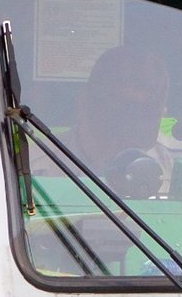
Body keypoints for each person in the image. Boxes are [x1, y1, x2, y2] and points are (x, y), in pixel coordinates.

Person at [72, 45, 174, 197]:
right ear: (85, 102)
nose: (132, 121)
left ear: (161, 113)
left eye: (145, 109)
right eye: (123, 107)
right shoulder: (33, 167)